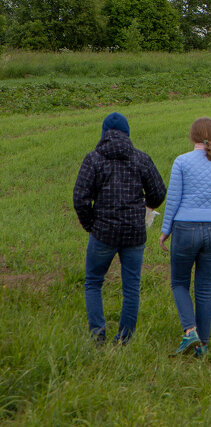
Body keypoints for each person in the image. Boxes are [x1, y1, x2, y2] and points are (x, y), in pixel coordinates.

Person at [73, 112, 167, 345]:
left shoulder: (93, 159)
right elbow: (158, 192)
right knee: (131, 286)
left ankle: (97, 335)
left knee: (94, 281)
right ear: (127, 134)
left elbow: (80, 197)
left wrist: (90, 225)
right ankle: (124, 339)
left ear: (104, 134)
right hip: (135, 233)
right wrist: (146, 205)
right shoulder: (140, 159)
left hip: (103, 233)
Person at [160, 117, 211, 358]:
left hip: (184, 229)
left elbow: (173, 199)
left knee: (179, 283)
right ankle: (202, 346)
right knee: (204, 288)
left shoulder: (181, 162)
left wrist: (165, 231)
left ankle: (189, 330)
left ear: (192, 137)